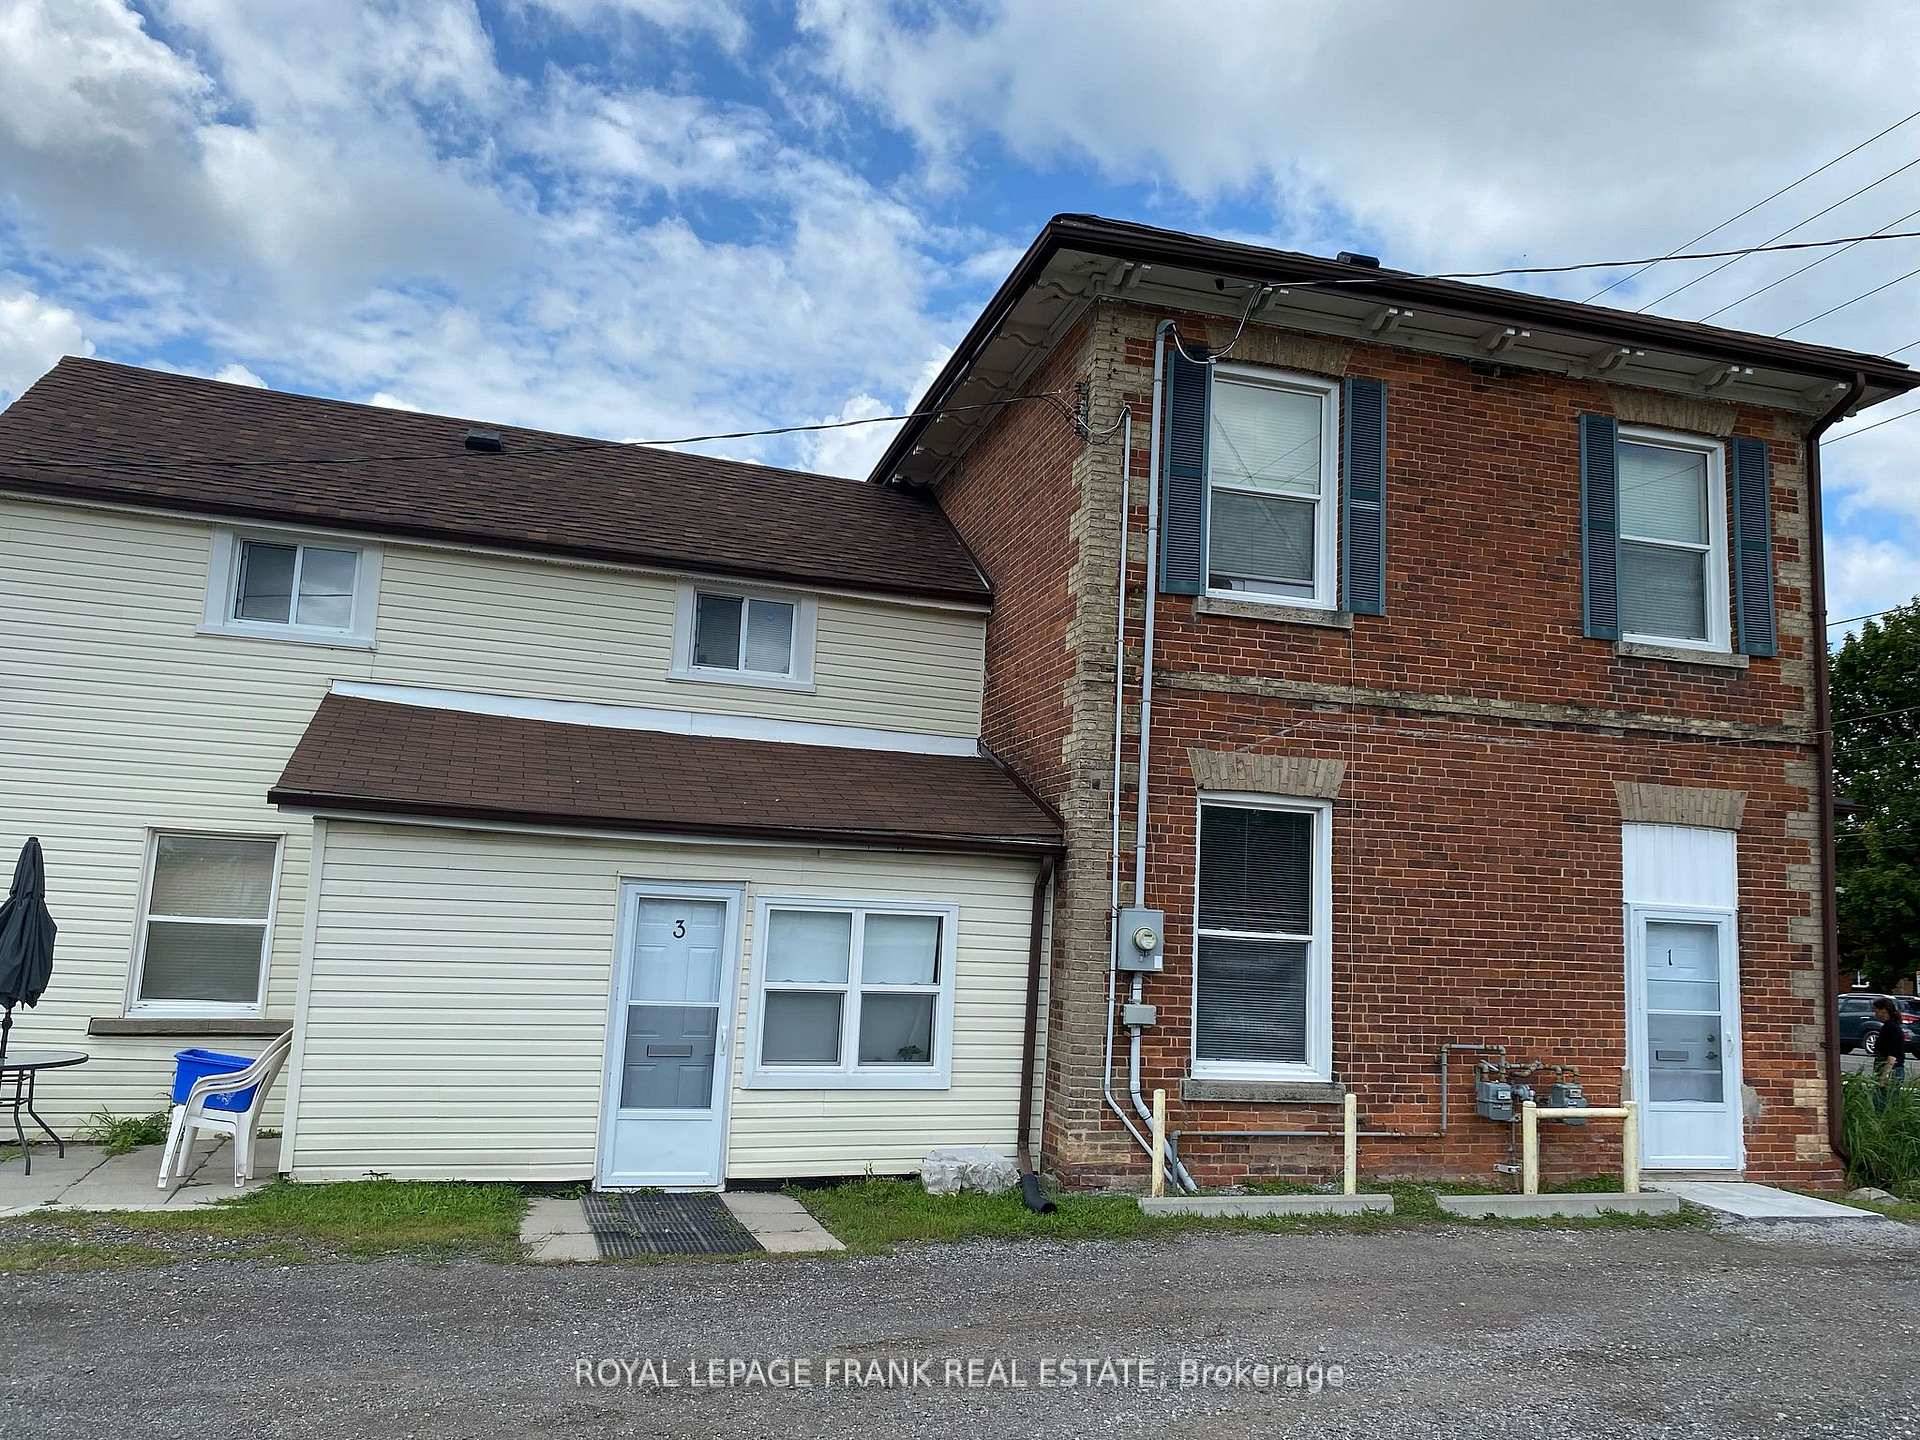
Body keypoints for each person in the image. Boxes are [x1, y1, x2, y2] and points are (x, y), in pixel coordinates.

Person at [1872, 998, 1908, 1110]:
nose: (1875, 1013)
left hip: (1891, 1071)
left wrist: (1884, 1076)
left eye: (1876, 1010)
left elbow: (1892, 1055)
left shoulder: (1891, 1028)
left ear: (1884, 1011)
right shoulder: (1889, 1027)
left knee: (1882, 1104)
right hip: (1889, 1070)